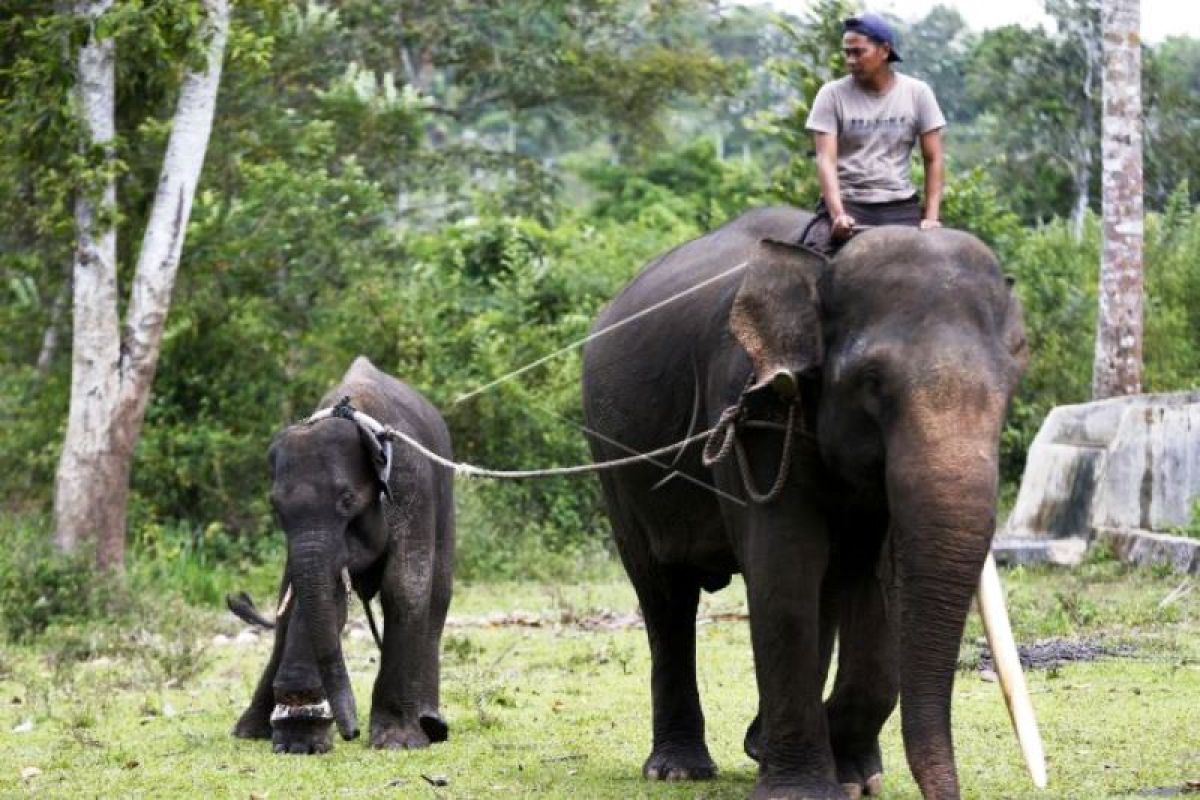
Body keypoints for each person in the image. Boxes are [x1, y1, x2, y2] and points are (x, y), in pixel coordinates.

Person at [800, 13, 946, 254]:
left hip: (900, 207)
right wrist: (838, 216)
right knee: (810, 261)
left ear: (884, 50)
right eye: (847, 53)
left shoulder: (918, 93)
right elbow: (826, 159)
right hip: (849, 204)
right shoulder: (831, 95)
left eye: (858, 52)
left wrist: (931, 218)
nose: (850, 60)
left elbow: (934, 158)